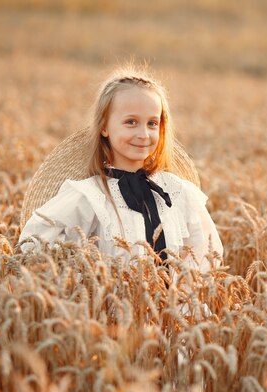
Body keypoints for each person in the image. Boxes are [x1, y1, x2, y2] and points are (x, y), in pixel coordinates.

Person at [18, 67, 223, 276]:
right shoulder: (90, 196)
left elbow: (204, 257)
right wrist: (86, 285)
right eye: (131, 122)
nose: (143, 134)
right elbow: (34, 247)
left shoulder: (178, 192)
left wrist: (180, 303)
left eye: (152, 123)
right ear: (104, 127)